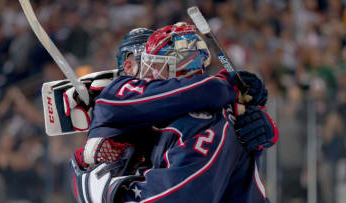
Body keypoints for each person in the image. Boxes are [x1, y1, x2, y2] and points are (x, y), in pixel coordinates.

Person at [67, 23, 277, 202]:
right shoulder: (117, 91)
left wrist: (257, 122)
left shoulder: (192, 113)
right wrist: (228, 87)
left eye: (155, 62)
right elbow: (195, 92)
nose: (148, 73)